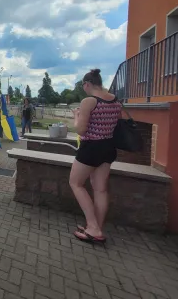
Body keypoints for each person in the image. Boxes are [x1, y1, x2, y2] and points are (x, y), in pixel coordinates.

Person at [69, 69, 121, 244]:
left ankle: (92, 227)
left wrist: (76, 116)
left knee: (75, 183)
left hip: (91, 148)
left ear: (87, 84)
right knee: (100, 189)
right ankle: (97, 228)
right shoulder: (115, 100)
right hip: (108, 148)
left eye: (83, 85)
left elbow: (81, 130)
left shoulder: (89, 101)